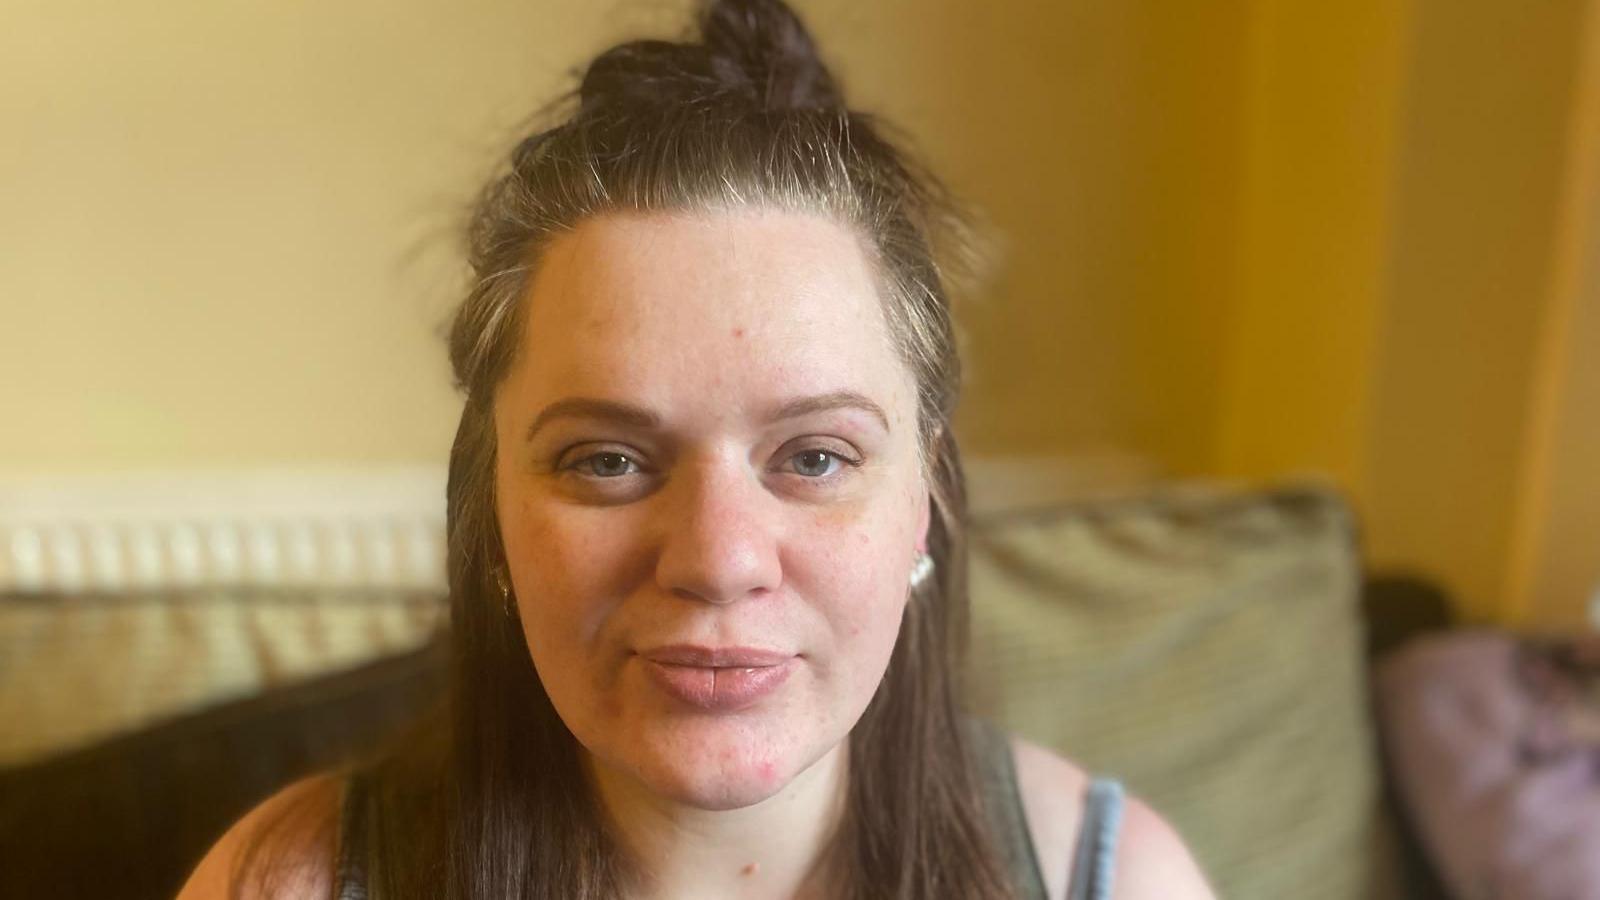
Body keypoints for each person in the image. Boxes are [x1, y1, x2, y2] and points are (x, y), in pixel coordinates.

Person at [179, 1, 1213, 897]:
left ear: (926, 497)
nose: (716, 560)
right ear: (489, 510)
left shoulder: (1113, 881)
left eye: (813, 458)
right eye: (605, 461)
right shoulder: (286, 887)